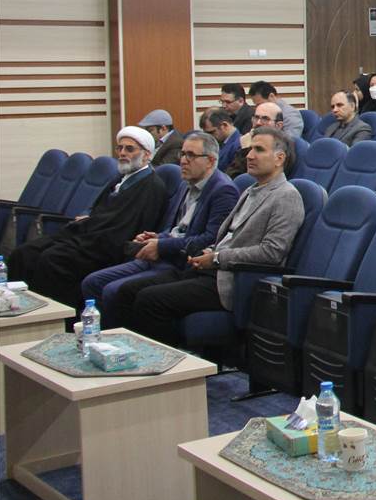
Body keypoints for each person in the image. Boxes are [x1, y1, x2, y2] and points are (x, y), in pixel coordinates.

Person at [123, 127, 304, 347]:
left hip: (233, 281)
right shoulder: (251, 190)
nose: (249, 155)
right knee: (130, 290)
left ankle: (177, 364)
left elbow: (272, 252)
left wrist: (217, 257)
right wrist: (210, 251)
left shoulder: (286, 196)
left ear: (279, 158)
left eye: (259, 150)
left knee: (150, 300)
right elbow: (229, 236)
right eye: (250, 149)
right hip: (208, 270)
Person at [84, 132, 236, 328]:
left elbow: (210, 239)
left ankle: (121, 341)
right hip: (163, 255)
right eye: (183, 154)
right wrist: (157, 237)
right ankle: (98, 337)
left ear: (210, 161)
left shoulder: (223, 190)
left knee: (116, 290)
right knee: (93, 282)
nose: (183, 160)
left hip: (180, 263)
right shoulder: (186, 183)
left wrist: (162, 245)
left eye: (191, 155)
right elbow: (176, 229)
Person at [9, 127, 170, 309]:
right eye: (120, 148)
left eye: (129, 149)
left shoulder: (151, 186)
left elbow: (125, 228)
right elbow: (99, 212)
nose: (123, 153)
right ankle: (18, 310)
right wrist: (88, 222)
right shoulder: (121, 178)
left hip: (107, 246)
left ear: (147, 155)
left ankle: (56, 317)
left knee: (52, 259)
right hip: (91, 235)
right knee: (24, 253)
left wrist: (89, 225)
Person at [204, 108, 242, 175]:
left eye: (212, 132)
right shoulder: (221, 142)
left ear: (224, 125)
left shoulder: (239, 145)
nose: (209, 137)